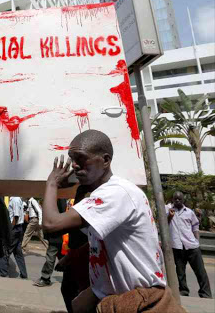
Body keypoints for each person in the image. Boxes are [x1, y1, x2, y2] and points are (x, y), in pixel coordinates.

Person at [41, 130, 184, 313]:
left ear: (106, 160)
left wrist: (51, 183)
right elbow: (108, 241)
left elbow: (51, 224)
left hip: (138, 301)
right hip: (116, 297)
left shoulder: (115, 193)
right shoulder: (106, 192)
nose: (75, 165)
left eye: (81, 158)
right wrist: (75, 256)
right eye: (72, 158)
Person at [166, 191, 212, 298]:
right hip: (177, 246)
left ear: (183, 200)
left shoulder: (189, 212)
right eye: (175, 199)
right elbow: (164, 225)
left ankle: (205, 293)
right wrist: (170, 216)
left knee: (200, 271)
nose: (177, 200)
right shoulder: (168, 211)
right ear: (172, 199)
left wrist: (197, 241)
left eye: (179, 199)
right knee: (180, 272)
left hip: (191, 246)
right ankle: (183, 291)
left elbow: (195, 226)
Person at [33, 199, 66, 287]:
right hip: (55, 233)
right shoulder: (55, 197)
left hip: (57, 234)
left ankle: (45, 278)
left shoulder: (59, 198)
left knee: (50, 257)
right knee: (62, 257)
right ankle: (72, 277)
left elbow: (61, 214)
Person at [0, 196, 28, 279]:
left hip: (14, 229)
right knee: (18, 254)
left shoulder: (15, 200)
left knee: (5, 251)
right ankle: (24, 274)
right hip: (18, 229)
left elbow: (16, 216)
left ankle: (3, 273)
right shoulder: (17, 199)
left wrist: (10, 230)